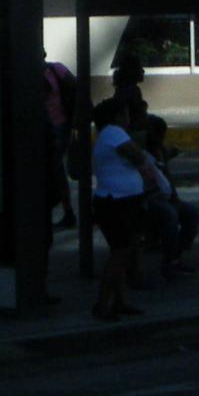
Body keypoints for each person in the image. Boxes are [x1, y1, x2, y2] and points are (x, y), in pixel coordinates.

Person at [86, 94, 164, 321]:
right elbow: (136, 155)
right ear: (118, 116)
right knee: (120, 253)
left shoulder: (106, 134)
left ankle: (118, 301)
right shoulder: (114, 132)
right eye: (126, 113)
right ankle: (102, 304)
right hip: (118, 202)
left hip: (119, 200)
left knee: (122, 251)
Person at [137, 113, 199, 279]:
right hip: (146, 198)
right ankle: (169, 259)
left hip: (163, 196)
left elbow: (167, 176)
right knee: (169, 215)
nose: (158, 139)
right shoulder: (137, 153)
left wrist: (174, 197)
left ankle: (176, 255)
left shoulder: (160, 152)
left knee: (192, 213)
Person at [40, 57, 82, 230]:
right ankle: (67, 211)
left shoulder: (56, 69)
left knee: (53, 169)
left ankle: (64, 211)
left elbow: (77, 89)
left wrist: (76, 118)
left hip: (60, 125)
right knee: (55, 171)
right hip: (44, 128)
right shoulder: (29, 74)